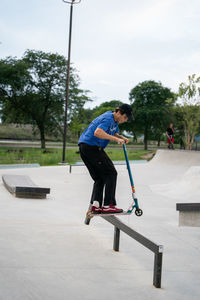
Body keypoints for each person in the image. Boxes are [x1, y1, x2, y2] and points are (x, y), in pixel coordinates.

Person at [78, 104, 133, 214]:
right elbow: (98, 132)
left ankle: (96, 205)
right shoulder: (108, 118)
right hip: (91, 147)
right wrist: (115, 140)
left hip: (85, 147)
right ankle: (108, 205)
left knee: (99, 178)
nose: (125, 120)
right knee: (111, 173)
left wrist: (121, 137)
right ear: (119, 112)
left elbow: (113, 132)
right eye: (125, 117)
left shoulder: (114, 121)